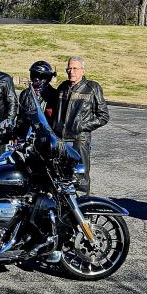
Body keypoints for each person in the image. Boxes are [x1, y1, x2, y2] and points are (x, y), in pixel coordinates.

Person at [52, 56, 110, 195]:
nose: (71, 71)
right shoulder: (62, 87)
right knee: (60, 176)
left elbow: (103, 116)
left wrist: (81, 125)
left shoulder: (92, 88)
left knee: (80, 178)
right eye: (69, 68)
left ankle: (83, 204)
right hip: (61, 141)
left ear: (83, 71)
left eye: (75, 68)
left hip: (80, 140)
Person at [15, 60, 59, 138]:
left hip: (47, 135)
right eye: (34, 75)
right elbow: (20, 116)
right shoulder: (25, 93)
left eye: (40, 75)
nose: (36, 78)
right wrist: (17, 133)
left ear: (47, 77)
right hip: (27, 134)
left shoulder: (54, 94)